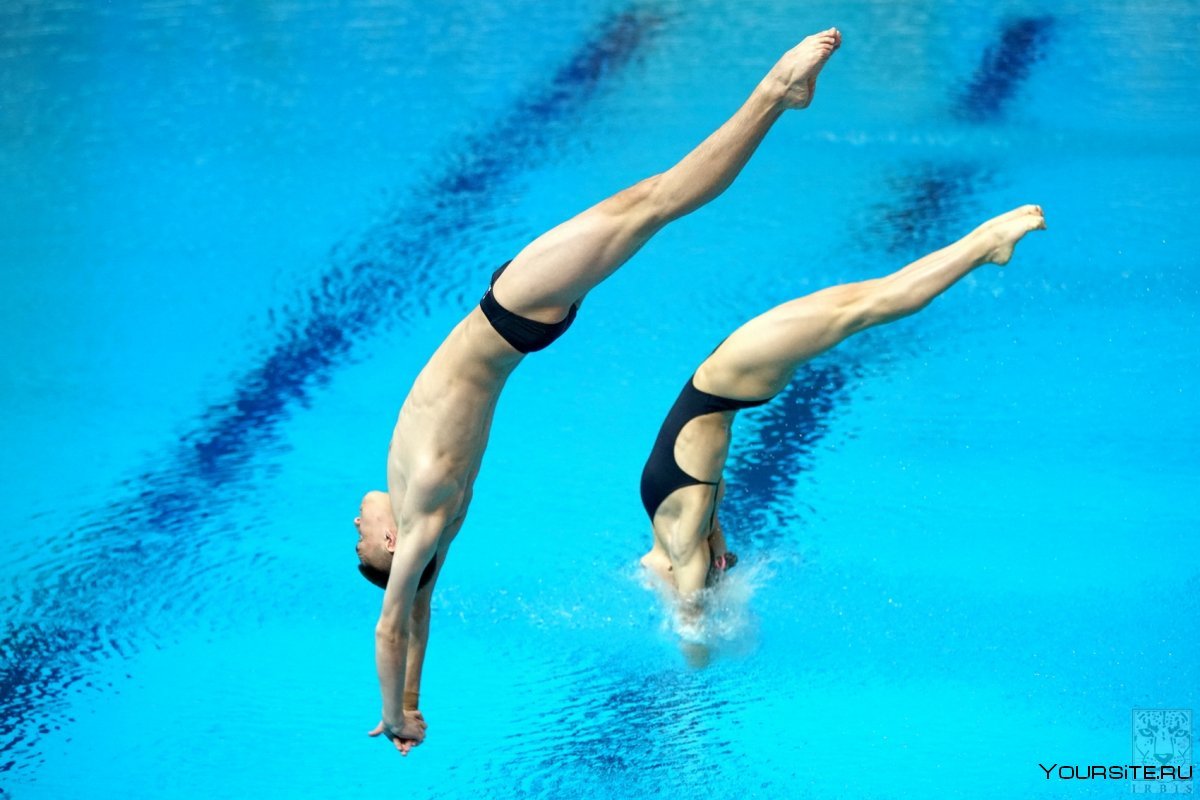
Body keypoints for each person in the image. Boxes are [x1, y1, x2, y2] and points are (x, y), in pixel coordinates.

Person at [353, 29, 844, 755]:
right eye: (360, 541)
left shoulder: (426, 535)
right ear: (391, 541)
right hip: (509, 314)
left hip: (513, 323)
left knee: (656, 202)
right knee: (660, 198)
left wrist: (415, 701)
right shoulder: (423, 509)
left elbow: (417, 614)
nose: (354, 526)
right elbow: (394, 623)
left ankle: (778, 96)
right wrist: (393, 712)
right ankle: (777, 91)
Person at [639, 204, 1046, 631]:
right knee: (872, 298)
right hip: (729, 366)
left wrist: (695, 637)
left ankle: (986, 245)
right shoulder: (669, 513)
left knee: (876, 303)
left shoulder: (686, 537)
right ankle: (982, 241)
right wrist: (716, 564)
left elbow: (691, 607)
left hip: (738, 374)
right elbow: (704, 537)